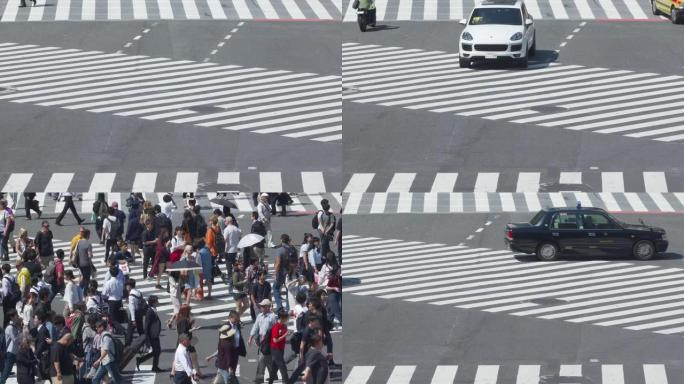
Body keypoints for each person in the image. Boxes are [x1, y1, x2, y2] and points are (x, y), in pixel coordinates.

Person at [248, 299, 277, 384]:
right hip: (261, 340)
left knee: (262, 358)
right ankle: (274, 374)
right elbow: (255, 327)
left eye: (263, 306)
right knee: (268, 359)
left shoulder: (272, 317)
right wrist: (250, 337)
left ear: (268, 307)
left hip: (269, 341)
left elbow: (276, 329)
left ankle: (259, 378)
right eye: (261, 306)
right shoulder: (259, 316)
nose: (261, 308)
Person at [136, 295, 164, 372]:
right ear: (154, 302)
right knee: (157, 351)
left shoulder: (153, 309)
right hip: (152, 335)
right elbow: (147, 325)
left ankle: (142, 361)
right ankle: (154, 367)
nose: (158, 302)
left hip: (154, 334)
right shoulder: (150, 312)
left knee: (156, 351)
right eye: (157, 301)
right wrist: (147, 337)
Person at [92, 319, 124, 384]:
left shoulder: (106, 337)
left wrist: (98, 360)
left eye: (97, 327)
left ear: (102, 327)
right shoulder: (103, 336)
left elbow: (106, 350)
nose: (96, 328)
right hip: (104, 362)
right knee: (95, 379)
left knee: (117, 380)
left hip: (109, 361)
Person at [176, 304, 203, 378]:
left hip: (183, 340)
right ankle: (197, 373)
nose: (190, 312)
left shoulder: (180, 318)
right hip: (186, 341)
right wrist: (194, 329)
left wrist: (190, 324)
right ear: (186, 311)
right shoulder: (184, 320)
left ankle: (173, 372)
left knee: (182, 357)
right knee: (193, 357)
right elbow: (184, 331)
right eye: (189, 310)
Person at [274, 234, 295, 312]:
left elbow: (278, 263)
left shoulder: (280, 250)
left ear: (281, 240)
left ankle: (279, 307)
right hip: (290, 272)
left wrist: (275, 273)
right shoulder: (292, 249)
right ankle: (288, 307)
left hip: (281, 272)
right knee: (287, 290)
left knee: (276, 289)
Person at [319, 253, 342, 327]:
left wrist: (320, 283)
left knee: (334, 307)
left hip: (329, 289)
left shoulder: (325, 267)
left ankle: (340, 321)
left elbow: (321, 278)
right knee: (330, 306)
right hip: (338, 288)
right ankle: (329, 322)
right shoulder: (337, 266)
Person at [271, 310, 290, 383]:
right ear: (282, 318)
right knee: (283, 367)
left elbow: (283, 334)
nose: (287, 319)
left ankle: (270, 381)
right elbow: (275, 340)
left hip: (281, 348)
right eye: (286, 318)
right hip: (275, 348)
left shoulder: (284, 325)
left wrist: (287, 333)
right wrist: (285, 335)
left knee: (275, 367)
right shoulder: (276, 327)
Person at [103, 266, 124, 333]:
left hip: (112, 300)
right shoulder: (120, 281)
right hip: (119, 300)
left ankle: (121, 329)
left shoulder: (108, 282)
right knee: (117, 316)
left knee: (112, 318)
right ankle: (117, 329)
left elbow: (104, 293)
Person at [125, 278, 144, 347]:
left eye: (126, 285)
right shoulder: (138, 292)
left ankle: (127, 346)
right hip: (140, 313)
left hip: (134, 314)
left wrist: (133, 320)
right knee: (140, 330)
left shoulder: (131, 296)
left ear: (129, 286)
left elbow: (132, 308)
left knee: (129, 331)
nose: (126, 287)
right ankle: (146, 344)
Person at [223, 216, 241, 290]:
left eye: (225, 221)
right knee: (235, 264)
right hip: (235, 249)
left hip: (229, 250)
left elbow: (225, 239)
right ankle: (237, 278)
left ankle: (231, 280)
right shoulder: (236, 228)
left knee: (228, 265)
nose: (225, 222)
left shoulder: (227, 229)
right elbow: (239, 237)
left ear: (228, 221)